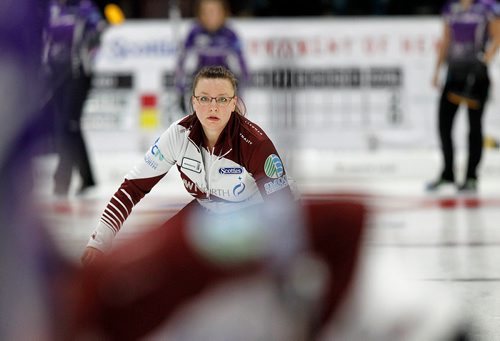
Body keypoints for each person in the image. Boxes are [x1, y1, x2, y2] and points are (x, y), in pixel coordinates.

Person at [81, 65, 292, 262]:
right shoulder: (179, 135)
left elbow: (283, 209)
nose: (213, 107)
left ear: (233, 103)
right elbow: (132, 188)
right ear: (193, 102)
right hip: (208, 213)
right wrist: (99, 242)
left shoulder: (254, 143)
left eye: (221, 99)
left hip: (253, 216)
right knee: (157, 253)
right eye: (205, 98)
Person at [428, 0, 500, 193]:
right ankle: (447, 173)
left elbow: (497, 35)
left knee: (474, 125)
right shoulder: (451, 9)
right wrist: (437, 71)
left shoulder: (487, 8)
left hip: (476, 76)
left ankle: (471, 177)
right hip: (454, 74)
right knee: (444, 123)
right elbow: (446, 40)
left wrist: (486, 59)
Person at [44, 0, 107, 196]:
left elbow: (99, 32)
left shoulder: (85, 8)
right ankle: (88, 177)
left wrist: (86, 57)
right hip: (55, 74)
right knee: (67, 126)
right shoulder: (52, 8)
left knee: (68, 123)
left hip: (78, 74)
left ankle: (62, 178)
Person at [174, 0, 249, 113]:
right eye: (205, 12)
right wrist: (180, 90)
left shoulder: (229, 34)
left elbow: (243, 65)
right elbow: (182, 61)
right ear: (199, 14)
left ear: (224, 13)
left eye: (214, 11)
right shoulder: (194, 32)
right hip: (200, 82)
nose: (210, 16)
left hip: (225, 82)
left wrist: (240, 94)